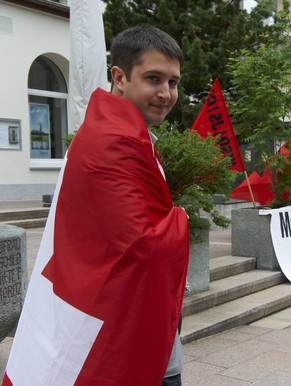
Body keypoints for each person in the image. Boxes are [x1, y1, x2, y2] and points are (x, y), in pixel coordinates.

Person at [2, 26, 189, 386]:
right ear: (119, 77)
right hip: (124, 326)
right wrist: (180, 218)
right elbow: (142, 243)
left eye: (173, 82)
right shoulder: (112, 141)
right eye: (154, 79)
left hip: (132, 317)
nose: (166, 93)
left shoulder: (124, 132)